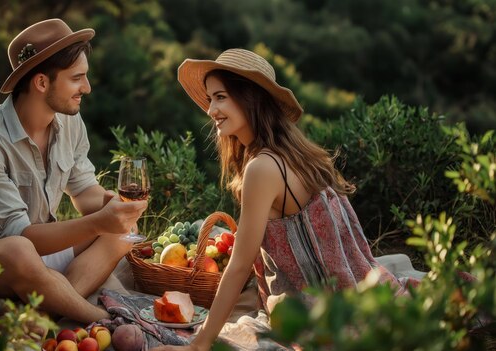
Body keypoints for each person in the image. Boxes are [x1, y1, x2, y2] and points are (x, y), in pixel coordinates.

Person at [151, 49, 416, 350]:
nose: (211, 110)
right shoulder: (294, 154)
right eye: (211, 99)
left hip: (321, 319)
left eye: (221, 97)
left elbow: (239, 265)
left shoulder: (262, 168)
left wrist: (199, 346)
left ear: (250, 98)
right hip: (353, 299)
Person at [0, 19, 147, 323]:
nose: (87, 88)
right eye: (77, 78)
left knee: (123, 235)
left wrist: (111, 206)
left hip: (41, 249)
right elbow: (21, 235)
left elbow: (83, 190)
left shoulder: (70, 123)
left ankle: (42, 313)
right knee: (17, 250)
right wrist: (97, 223)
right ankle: (103, 319)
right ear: (41, 83)